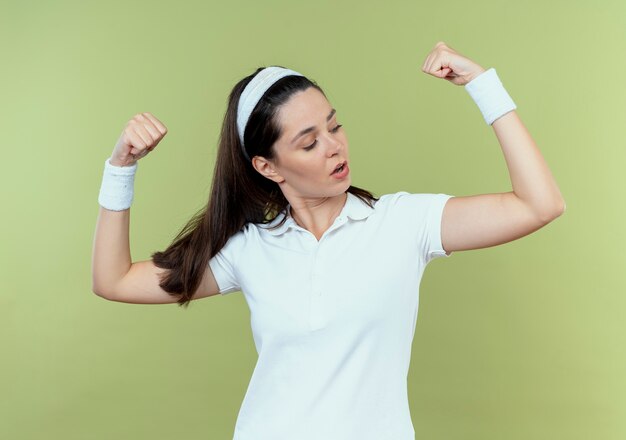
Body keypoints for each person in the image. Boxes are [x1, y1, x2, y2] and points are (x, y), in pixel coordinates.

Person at [92, 41, 565, 440]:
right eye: (309, 142)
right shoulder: (249, 249)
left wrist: (481, 85)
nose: (335, 146)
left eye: (334, 126)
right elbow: (113, 280)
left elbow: (538, 204)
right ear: (268, 167)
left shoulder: (402, 223)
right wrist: (121, 168)